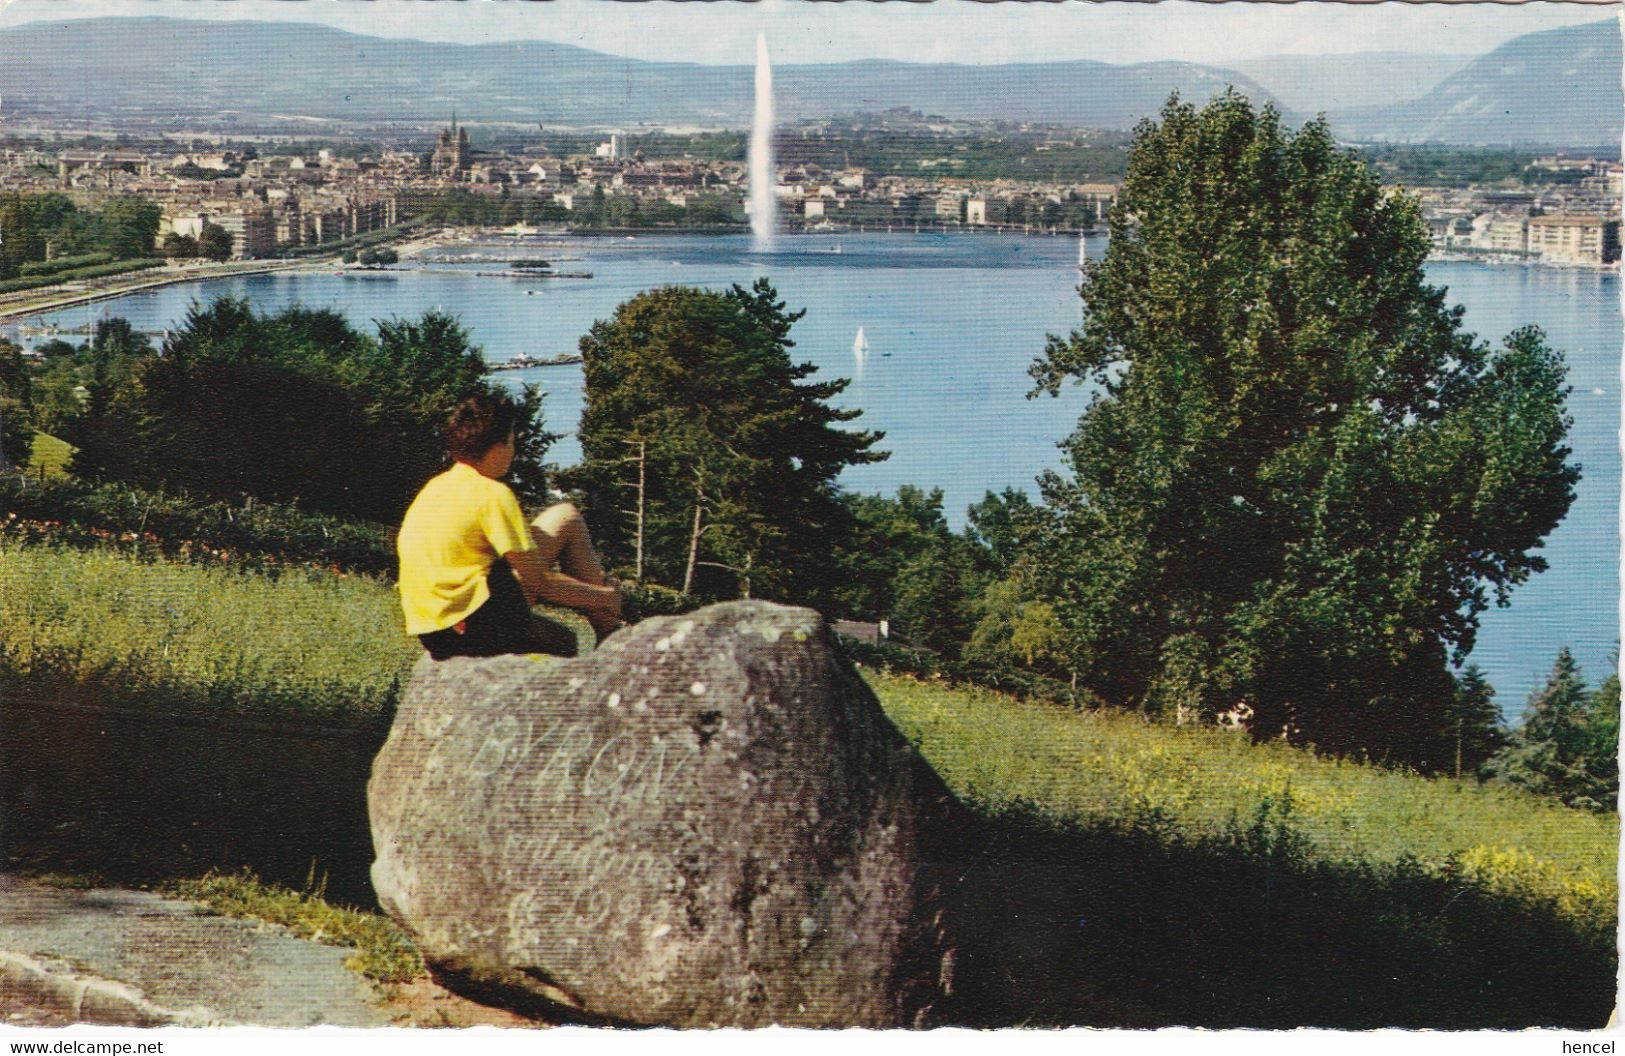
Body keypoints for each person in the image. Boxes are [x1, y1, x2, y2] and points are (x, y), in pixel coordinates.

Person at [397, 393, 621, 660]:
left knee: (566, 516)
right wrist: (605, 597)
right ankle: (610, 635)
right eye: (512, 441)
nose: (514, 451)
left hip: (434, 630)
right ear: (498, 446)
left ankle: (610, 632)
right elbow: (540, 584)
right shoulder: (492, 494)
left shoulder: (436, 487)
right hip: (470, 627)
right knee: (563, 639)